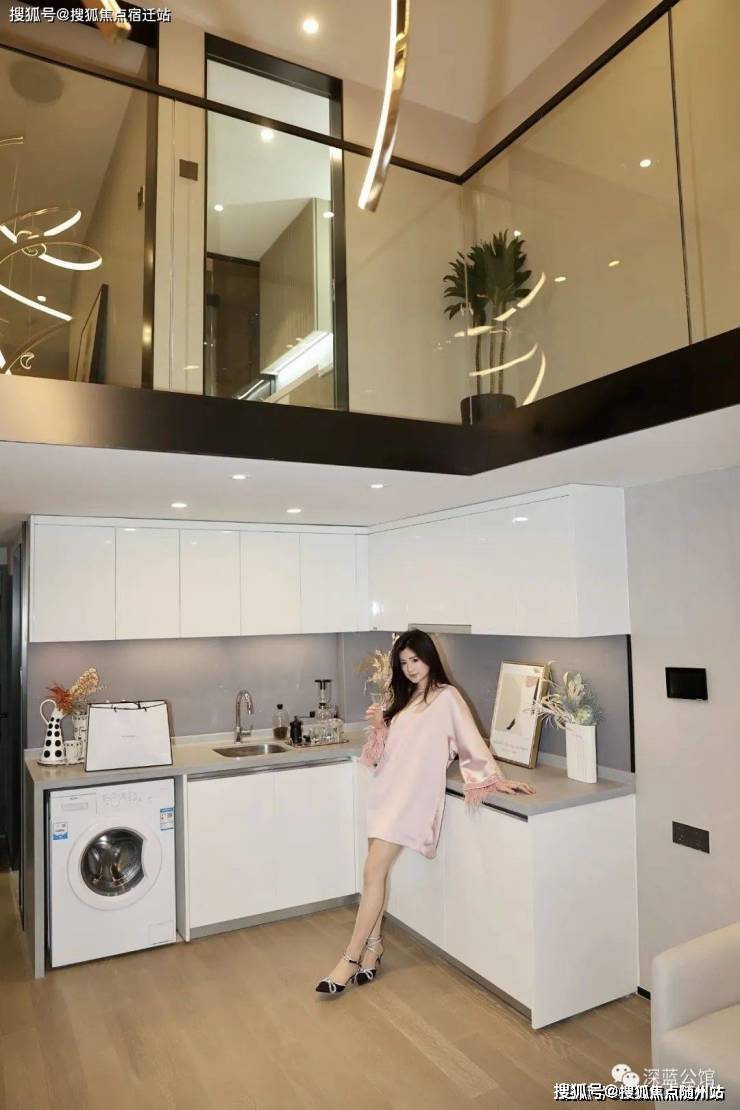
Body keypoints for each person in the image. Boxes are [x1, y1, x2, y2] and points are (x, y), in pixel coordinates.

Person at [315, 628, 536, 997]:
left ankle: (349, 959)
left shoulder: (447, 698)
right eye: (404, 663)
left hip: (411, 798)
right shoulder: (404, 698)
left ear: (429, 657)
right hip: (385, 791)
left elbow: (470, 742)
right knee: (375, 876)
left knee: (372, 872)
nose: (411, 668)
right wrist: (380, 726)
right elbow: (383, 754)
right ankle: (373, 948)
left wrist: (496, 780)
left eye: (415, 660)